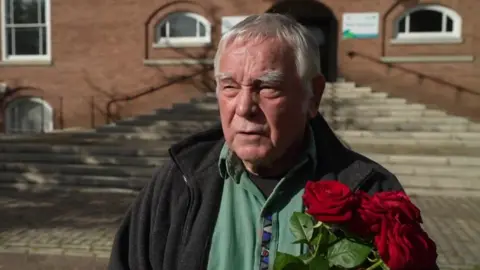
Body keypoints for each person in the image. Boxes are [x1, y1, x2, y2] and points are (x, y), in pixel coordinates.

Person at [108, 13, 407, 270]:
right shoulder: (177, 182)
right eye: (229, 87)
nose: (243, 107)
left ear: (313, 95)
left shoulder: (371, 192)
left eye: (267, 87)